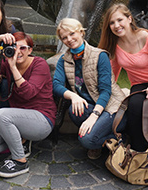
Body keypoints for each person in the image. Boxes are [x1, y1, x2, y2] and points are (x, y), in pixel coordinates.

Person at [0, 31, 57, 178]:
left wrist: (13, 68)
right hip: (16, 119)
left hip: (41, 120)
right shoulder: (7, 63)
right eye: (15, 47)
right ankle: (21, 141)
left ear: (30, 50)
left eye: (23, 48)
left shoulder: (40, 64)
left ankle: (20, 161)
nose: (18, 52)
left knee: (2, 114)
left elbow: (28, 93)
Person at [53, 18, 127, 159]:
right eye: (64, 37)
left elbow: (106, 91)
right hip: (91, 105)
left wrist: (94, 116)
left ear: (81, 32)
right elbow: (56, 85)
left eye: (72, 34)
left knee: (87, 140)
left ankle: (118, 137)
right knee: (74, 111)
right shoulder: (65, 60)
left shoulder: (100, 55)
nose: (69, 39)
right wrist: (74, 96)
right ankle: (104, 137)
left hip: (112, 107)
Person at [98, 3, 148, 152]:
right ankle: (138, 151)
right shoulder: (114, 45)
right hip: (138, 84)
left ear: (129, 19)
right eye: (112, 23)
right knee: (134, 106)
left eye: (120, 20)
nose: (116, 25)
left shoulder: (145, 36)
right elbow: (112, 73)